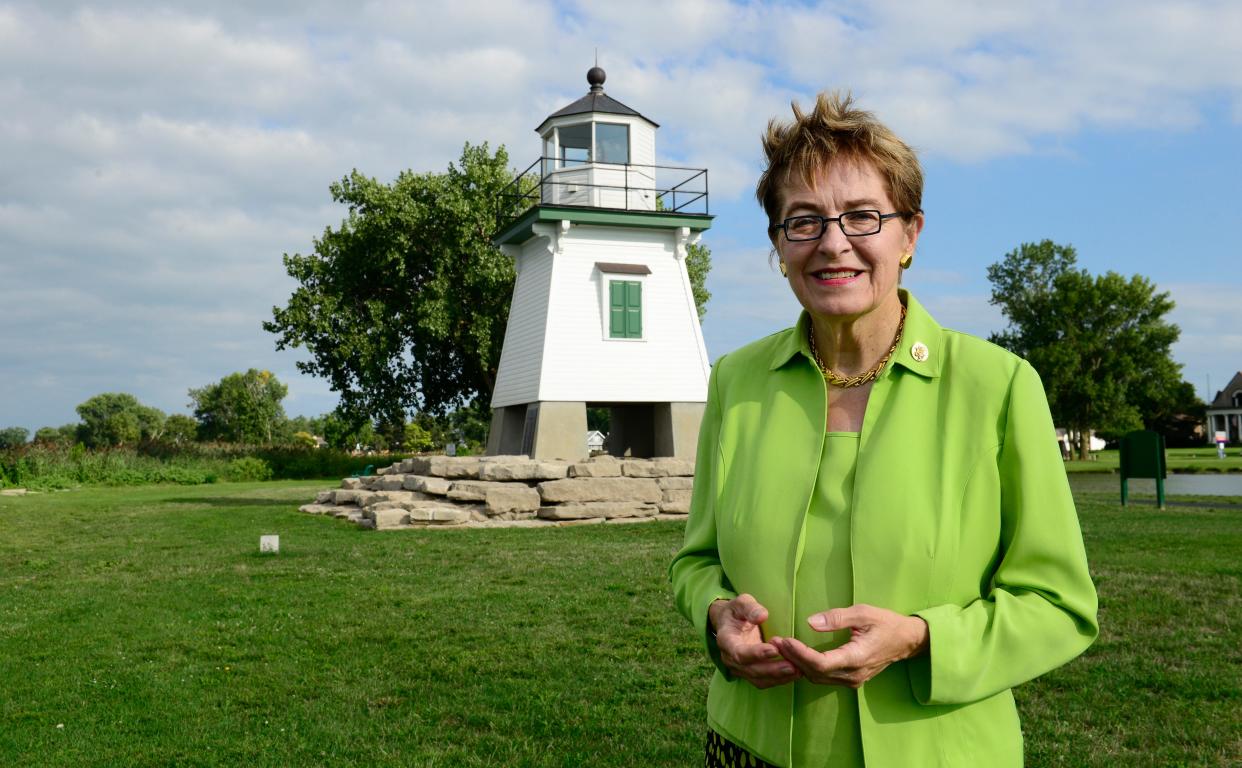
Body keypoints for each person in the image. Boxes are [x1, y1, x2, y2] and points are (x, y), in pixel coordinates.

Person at [669, 93, 1098, 768]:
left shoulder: (999, 386)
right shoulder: (735, 381)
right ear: (779, 247)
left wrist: (922, 638)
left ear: (911, 234)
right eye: (802, 222)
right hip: (748, 746)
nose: (833, 243)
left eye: (862, 216)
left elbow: (1059, 605)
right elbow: (697, 561)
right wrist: (717, 612)